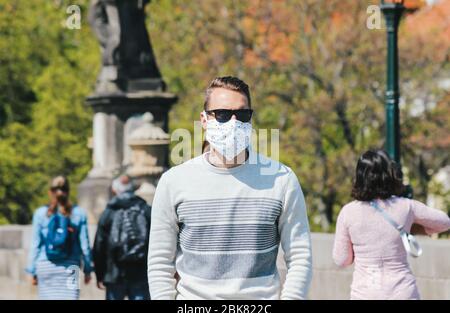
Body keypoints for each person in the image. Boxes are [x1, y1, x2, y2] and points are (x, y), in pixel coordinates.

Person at [148, 76, 313, 300]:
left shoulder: (282, 180)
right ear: (204, 120)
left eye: (243, 115)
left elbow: (300, 256)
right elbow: (160, 263)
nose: (234, 123)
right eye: (223, 115)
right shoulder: (174, 182)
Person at [333, 149, 450, 300]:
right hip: (403, 291)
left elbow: (341, 260)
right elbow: (444, 222)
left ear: (360, 177)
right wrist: (413, 227)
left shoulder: (348, 212)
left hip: (365, 292)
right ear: (390, 175)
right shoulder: (406, 206)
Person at [25, 176, 93, 300]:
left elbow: (35, 245)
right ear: (68, 191)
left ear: (50, 192)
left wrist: (31, 270)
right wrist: (88, 269)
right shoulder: (79, 214)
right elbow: (85, 246)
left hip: (45, 265)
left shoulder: (40, 213)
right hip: (72, 266)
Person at [93, 175, 151, 300]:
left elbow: (99, 244)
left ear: (115, 190)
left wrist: (100, 274)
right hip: (140, 272)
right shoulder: (145, 209)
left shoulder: (109, 212)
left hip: (115, 273)